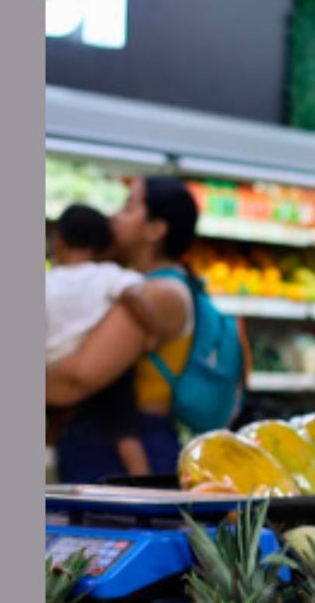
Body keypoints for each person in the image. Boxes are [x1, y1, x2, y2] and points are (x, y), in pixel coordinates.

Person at [46, 177, 213, 482]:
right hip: (113, 442)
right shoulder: (135, 282)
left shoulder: (157, 293)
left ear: (155, 229)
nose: (113, 217)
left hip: (121, 450)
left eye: (127, 207)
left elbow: (77, 377)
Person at [45, 204, 150, 475]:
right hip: (102, 365)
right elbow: (134, 295)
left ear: (60, 239)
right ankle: (141, 480)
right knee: (124, 426)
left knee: (53, 424)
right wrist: (152, 331)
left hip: (54, 367)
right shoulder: (108, 274)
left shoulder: (47, 281)